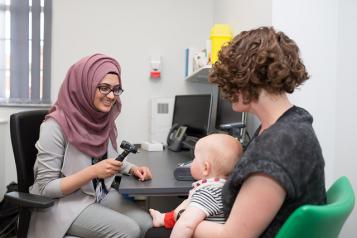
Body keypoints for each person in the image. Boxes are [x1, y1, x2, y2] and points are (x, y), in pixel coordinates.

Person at [146, 26, 326, 238]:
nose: (226, 91)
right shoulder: (293, 121)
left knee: (153, 233)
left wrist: (181, 215)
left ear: (249, 80)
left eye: (230, 83)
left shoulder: (277, 148)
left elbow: (233, 236)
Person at [28, 53, 153, 238]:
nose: (111, 96)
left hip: (94, 194)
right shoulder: (54, 126)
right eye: (104, 88)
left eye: (116, 89)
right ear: (84, 86)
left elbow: (104, 157)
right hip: (62, 203)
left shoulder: (101, 118)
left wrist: (132, 168)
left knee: (147, 224)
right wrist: (93, 172)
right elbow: (46, 189)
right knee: (130, 231)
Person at [149, 134, 243, 238]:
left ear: (205, 168)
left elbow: (186, 225)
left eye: (194, 158)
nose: (192, 162)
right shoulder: (227, 188)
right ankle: (162, 219)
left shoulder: (208, 192)